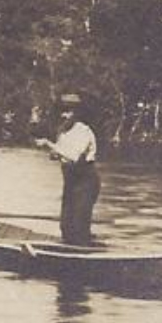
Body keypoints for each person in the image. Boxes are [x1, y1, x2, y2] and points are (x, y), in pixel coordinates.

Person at [37, 93, 100, 245]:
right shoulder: (62, 130)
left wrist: (48, 144)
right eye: (62, 111)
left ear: (76, 113)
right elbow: (61, 154)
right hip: (70, 181)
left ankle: (85, 256)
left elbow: (74, 157)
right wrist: (53, 153)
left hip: (86, 182)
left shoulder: (83, 131)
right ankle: (66, 258)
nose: (64, 115)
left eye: (68, 111)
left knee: (79, 225)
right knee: (65, 225)